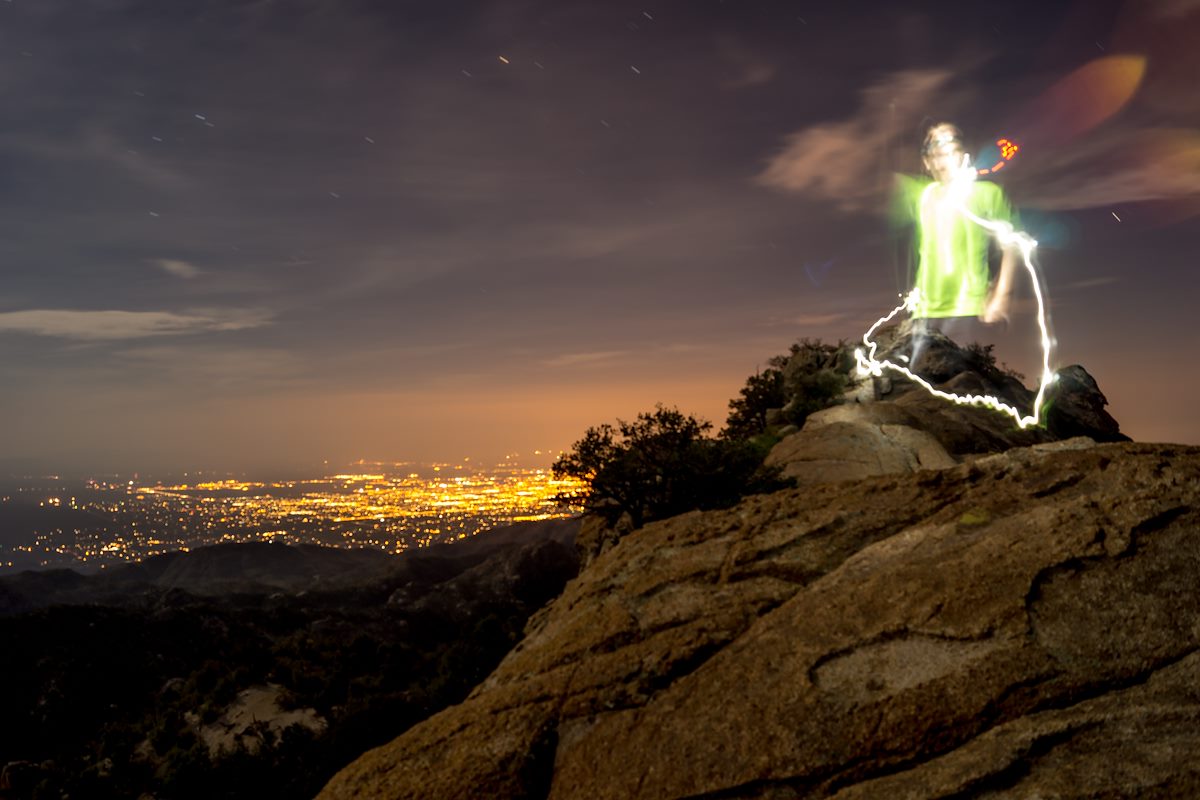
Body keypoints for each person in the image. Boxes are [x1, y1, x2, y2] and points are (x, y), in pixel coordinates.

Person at [892, 122, 1021, 368]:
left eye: (952, 152)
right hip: (924, 310)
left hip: (966, 307)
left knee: (957, 384)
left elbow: (1011, 245)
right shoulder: (925, 196)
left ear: (965, 156)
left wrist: (1001, 294)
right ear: (927, 162)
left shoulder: (988, 194)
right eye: (938, 156)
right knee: (916, 383)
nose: (945, 161)